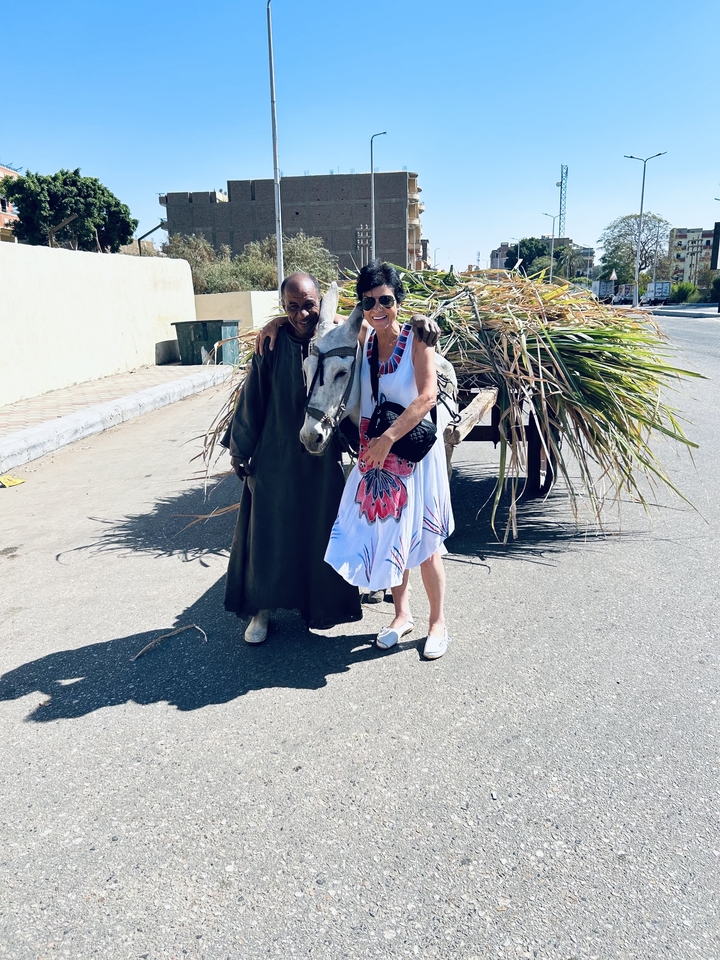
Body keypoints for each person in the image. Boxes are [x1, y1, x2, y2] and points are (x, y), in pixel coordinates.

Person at [324, 260, 454, 660]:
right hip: (378, 458)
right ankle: (402, 615)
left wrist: (387, 439)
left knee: (426, 543)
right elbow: (322, 338)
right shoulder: (362, 339)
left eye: (386, 300)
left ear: (398, 301)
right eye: (369, 301)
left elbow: (427, 396)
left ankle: (437, 622)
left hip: (411, 455)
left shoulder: (417, 339)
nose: (378, 308)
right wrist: (276, 326)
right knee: (389, 535)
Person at [222, 271, 362, 643]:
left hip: (320, 457)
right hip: (275, 456)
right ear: (283, 308)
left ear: (321, 304)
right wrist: (241, 449)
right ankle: (261, 611)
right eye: (292, 307)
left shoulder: (335, 338)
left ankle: (318, 606)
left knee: (319, 531)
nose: (302, 315)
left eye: (309, 305)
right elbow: (252, 398)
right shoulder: (271, 344)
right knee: (268, 533)